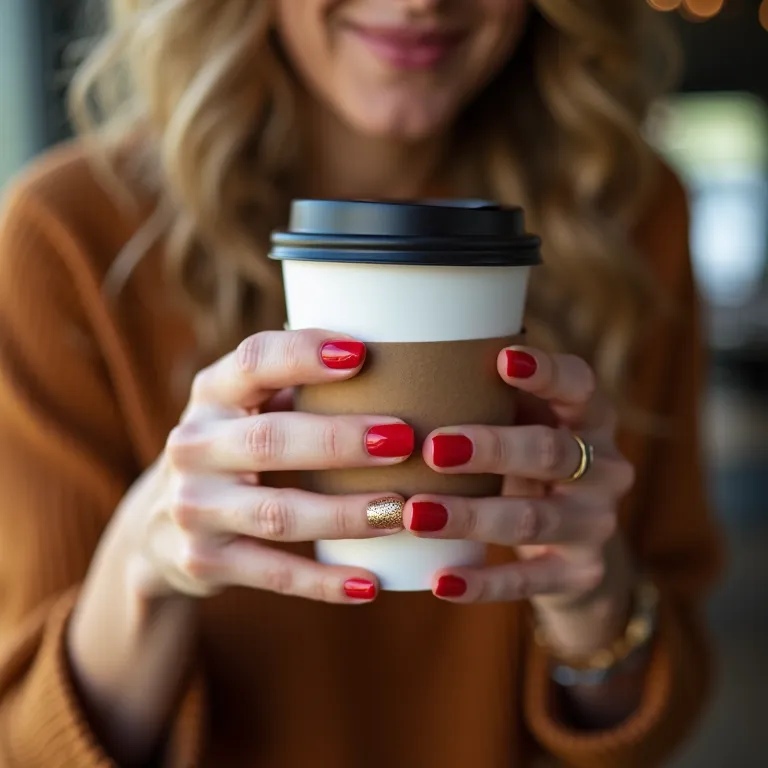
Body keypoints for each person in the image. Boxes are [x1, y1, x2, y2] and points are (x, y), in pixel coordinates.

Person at [0, 1, 723, 766]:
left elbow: (658, 720)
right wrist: (145, 571)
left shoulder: (628, 217)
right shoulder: (69, 236)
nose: (421, 3)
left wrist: (594, 603)